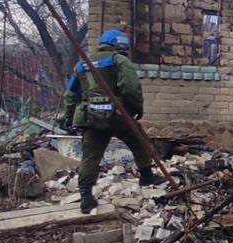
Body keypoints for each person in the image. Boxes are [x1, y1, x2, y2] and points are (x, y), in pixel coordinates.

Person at [59, 29, 163, 213]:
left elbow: (71, 94)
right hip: (118, 115)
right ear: (121, 44)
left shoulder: (82, 65)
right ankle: (146, 176)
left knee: (90, 157)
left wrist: (68, 117)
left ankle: (86, 197)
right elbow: (131, 88)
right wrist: (136, 109)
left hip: (91, 117)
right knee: (140, 142)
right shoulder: (119, 61)